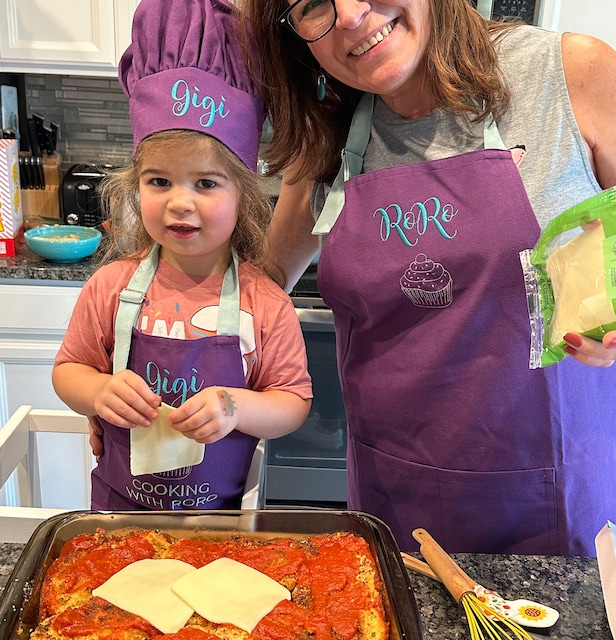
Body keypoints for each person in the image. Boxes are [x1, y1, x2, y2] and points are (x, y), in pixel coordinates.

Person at [240, 0, 616, 555]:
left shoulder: (571, 75)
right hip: (396, 497)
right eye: (311, 2)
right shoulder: (329, 131)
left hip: (555, 495)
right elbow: (256, 298)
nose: (349, 14)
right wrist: (149, 377)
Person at [52, 0, 312, 511]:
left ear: (245, 195)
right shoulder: (111, 288)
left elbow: (292, 403)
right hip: (118, 520)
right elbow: (68, 371)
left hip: (219, 524)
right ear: (136, 186)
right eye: (159, 181)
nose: (180, 201)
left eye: (207, 183)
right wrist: (98, 392)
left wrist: (233, 406)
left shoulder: (266, 303)